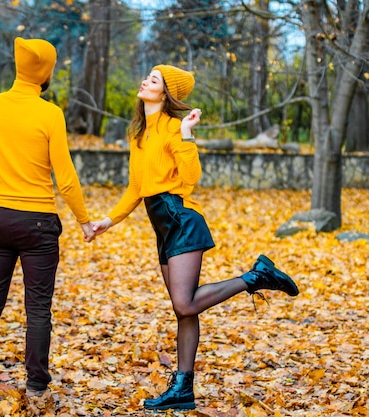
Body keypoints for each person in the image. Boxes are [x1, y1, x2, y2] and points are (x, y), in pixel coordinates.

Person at [91, 64, 299, 411]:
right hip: (161, 224)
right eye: (147, 76)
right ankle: (182, 391)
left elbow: (190, 177)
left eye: (154, 79)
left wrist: (187, 135)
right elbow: (135, 188)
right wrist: (108, 220)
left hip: (180, 218)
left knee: (184, 303)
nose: (145, 80)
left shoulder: (175, 128)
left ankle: (256, 276)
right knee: (184, 311)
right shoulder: (139, 133)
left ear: (167, 92)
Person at [0, 37, 95, 412]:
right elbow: (65, 178)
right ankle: (36, 389)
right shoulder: (50, 113)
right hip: (39, 223)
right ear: (46, 72)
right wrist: (84, 221)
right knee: (38, 308)